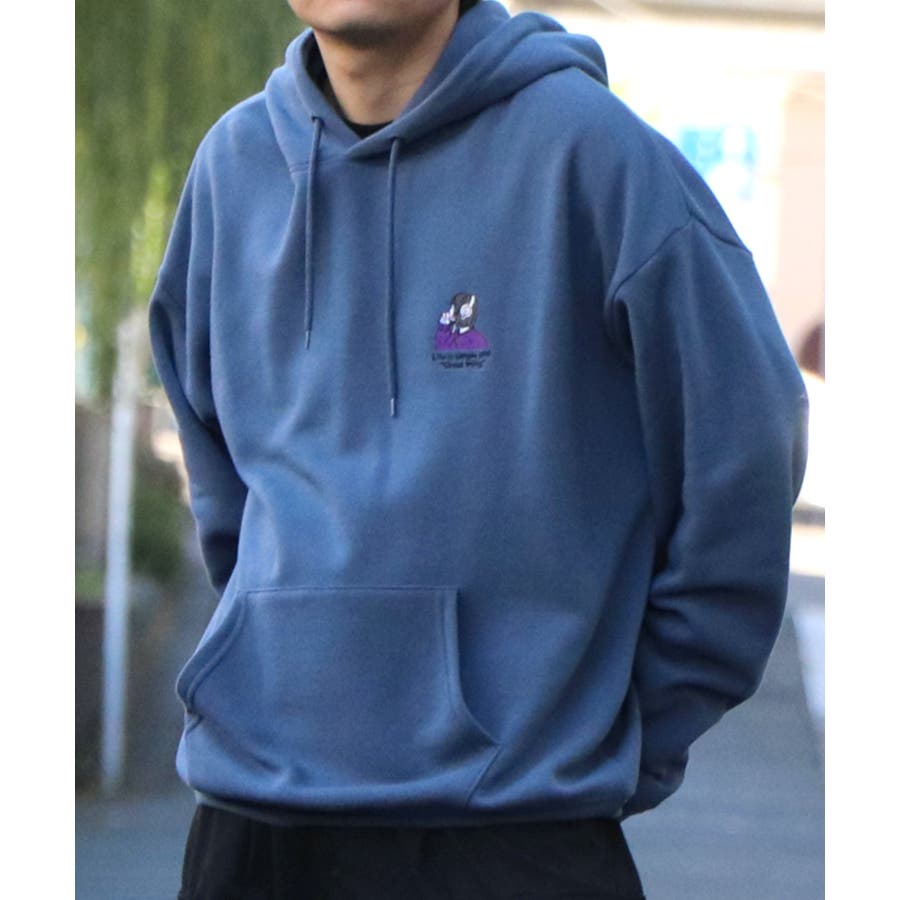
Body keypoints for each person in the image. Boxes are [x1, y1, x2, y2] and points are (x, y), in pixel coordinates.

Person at [147, 0, 809, 896]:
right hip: (252, 828)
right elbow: (220, 471)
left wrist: (618, 733)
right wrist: (267, 639)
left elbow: (743, 459)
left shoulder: (596, 157)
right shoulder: (232, 170)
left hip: (512, 836)